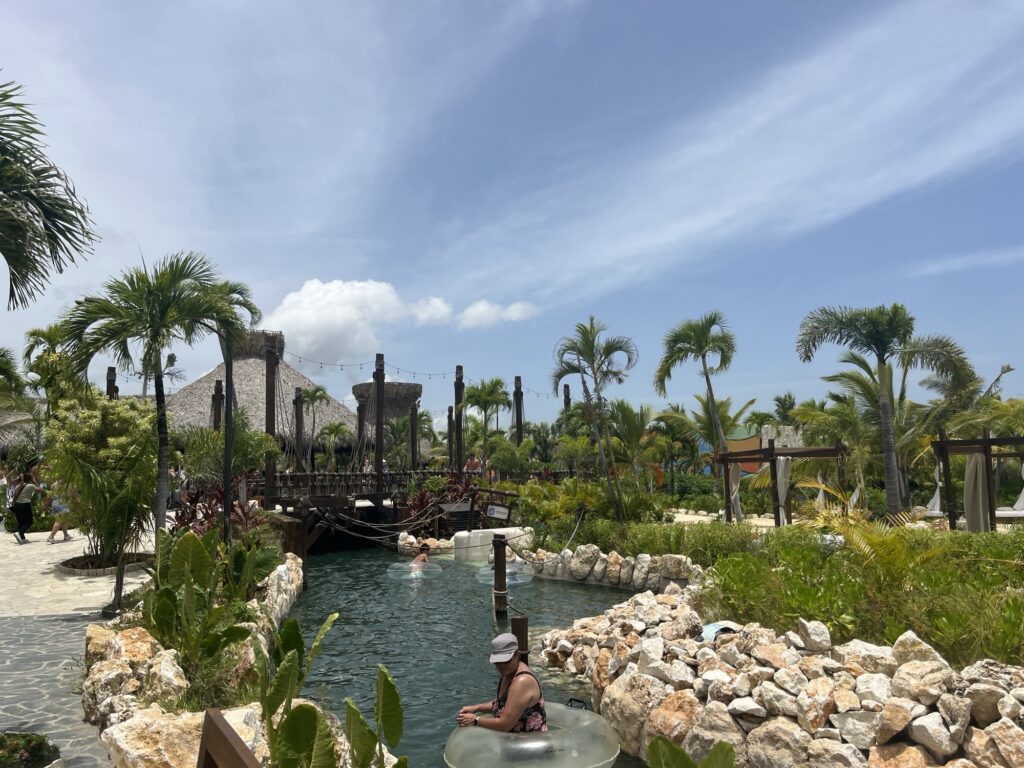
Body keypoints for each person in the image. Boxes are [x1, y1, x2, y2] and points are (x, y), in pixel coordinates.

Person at [455, 633, 547, 733]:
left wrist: (476, 720)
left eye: (505, 660)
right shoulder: (507, 673)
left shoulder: (522, 681)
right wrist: (477, 708)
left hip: (529, 744)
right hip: (510, 741)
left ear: (516, 655)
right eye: (498, 662)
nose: (501, 666)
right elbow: (501, 705)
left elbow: (505, 725)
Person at [10, 470, 40, 544]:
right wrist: (35, 482)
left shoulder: (18, 486)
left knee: (21, 522)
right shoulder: (31, 486)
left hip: (17, 505)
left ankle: (22, 538)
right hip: (25, 505)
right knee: (29, 522)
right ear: (30, 479)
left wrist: (13, 505)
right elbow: (39, 490)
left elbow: (14, 497)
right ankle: (19, 533)